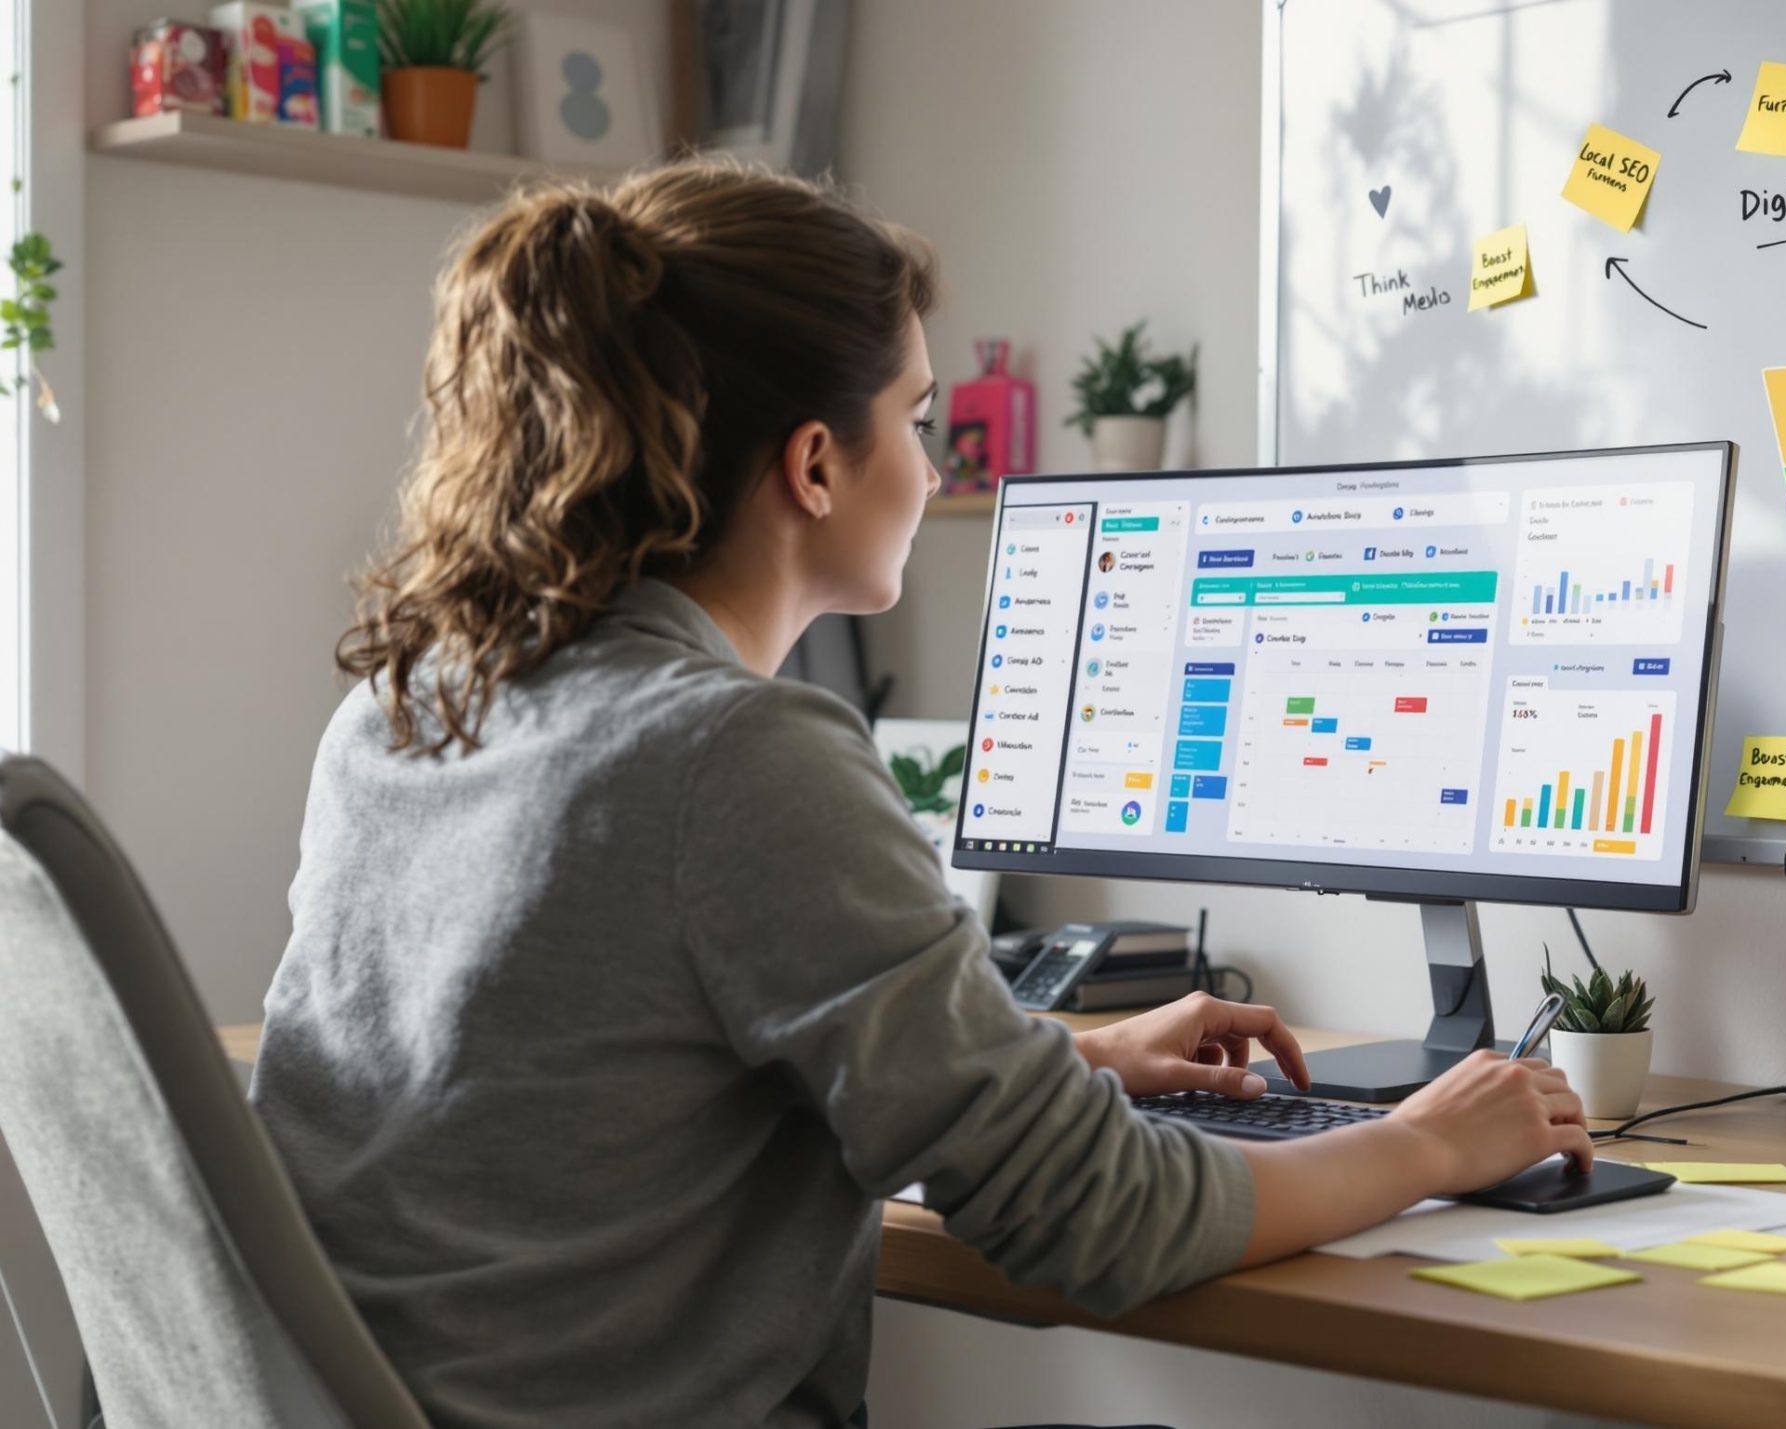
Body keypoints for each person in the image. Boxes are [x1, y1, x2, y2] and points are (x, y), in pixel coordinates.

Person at [249, 160, 1591, 1429]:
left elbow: (606, 1081)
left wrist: (1062, 1057)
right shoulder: (736, 755)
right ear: (817, 463)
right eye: (917, 418)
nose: (938, 466)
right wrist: (1423, 1143)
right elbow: (1099, 1218)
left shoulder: (405, 711)